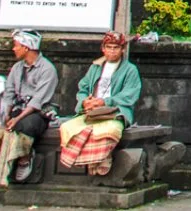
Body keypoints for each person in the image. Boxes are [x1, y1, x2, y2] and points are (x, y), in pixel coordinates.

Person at [0, 31, 58, 185]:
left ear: (27, 47)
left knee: (22, 127)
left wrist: (17, 119)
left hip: (39, 112)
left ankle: (25, 157)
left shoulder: (47, 69)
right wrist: (6, 114)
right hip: (17, 108)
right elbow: (8, 93)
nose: (13, 49)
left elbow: (37, 101)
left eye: (16, 45)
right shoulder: (17, 68)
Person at [57, 32, 142, 176]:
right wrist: (85, 101)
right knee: (67, 127)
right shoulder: (95, 67)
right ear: (103, 48)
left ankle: (102, 158)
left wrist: (105, 101)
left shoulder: (130, 70)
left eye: (116, 47)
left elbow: (130, 94)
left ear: (122, 49)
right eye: (109, 47)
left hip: (115, 111)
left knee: (110, 130)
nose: (112, 51)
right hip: (91, 111)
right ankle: (90, 160)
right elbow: (82, 88)